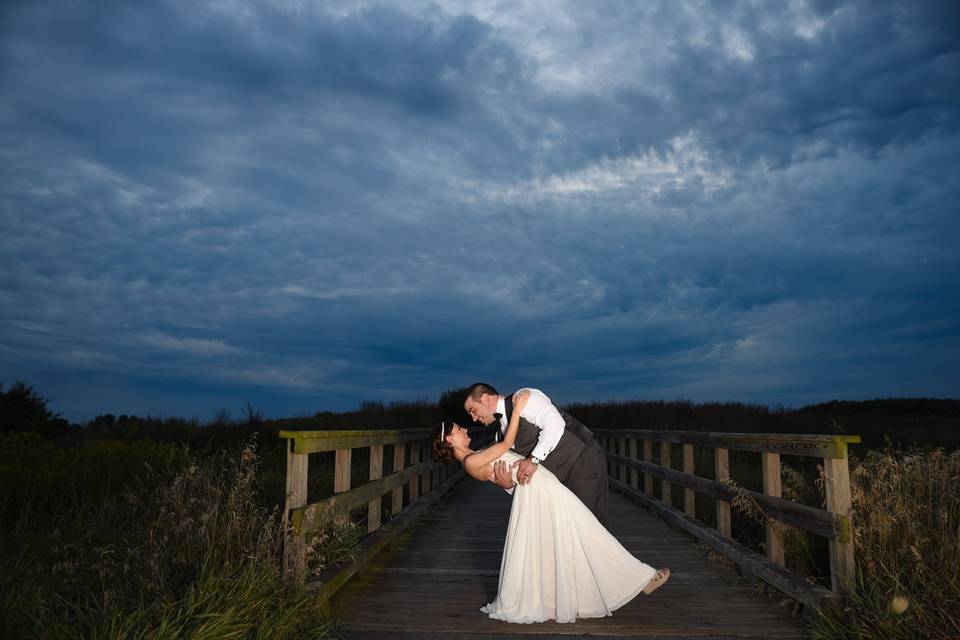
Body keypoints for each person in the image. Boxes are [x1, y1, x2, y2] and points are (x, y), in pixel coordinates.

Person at [433, 390, 670, 624]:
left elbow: (551, 427)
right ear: (450, 440)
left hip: (547, 482)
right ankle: (637, 579)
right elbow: (506, 448)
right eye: (459, 429)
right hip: (538, 489)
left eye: (471, 413)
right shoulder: (473, 459)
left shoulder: (488, 441)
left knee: (581, 531)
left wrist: (508, 479)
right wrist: (516, 415)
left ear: (484, 399)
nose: (467, 425)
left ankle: (607, 586)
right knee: (583, 530)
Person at [464, 383, 609, 525]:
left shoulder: (523, 398)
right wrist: (508, 485)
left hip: (580, 461)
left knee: (593, 526)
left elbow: (555, 423)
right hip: (556, 485)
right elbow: (518, 473)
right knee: (571, 530)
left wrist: (533, 460)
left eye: (473, 410)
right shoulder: (500, 437)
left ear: (485, 399)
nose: (474, 418)